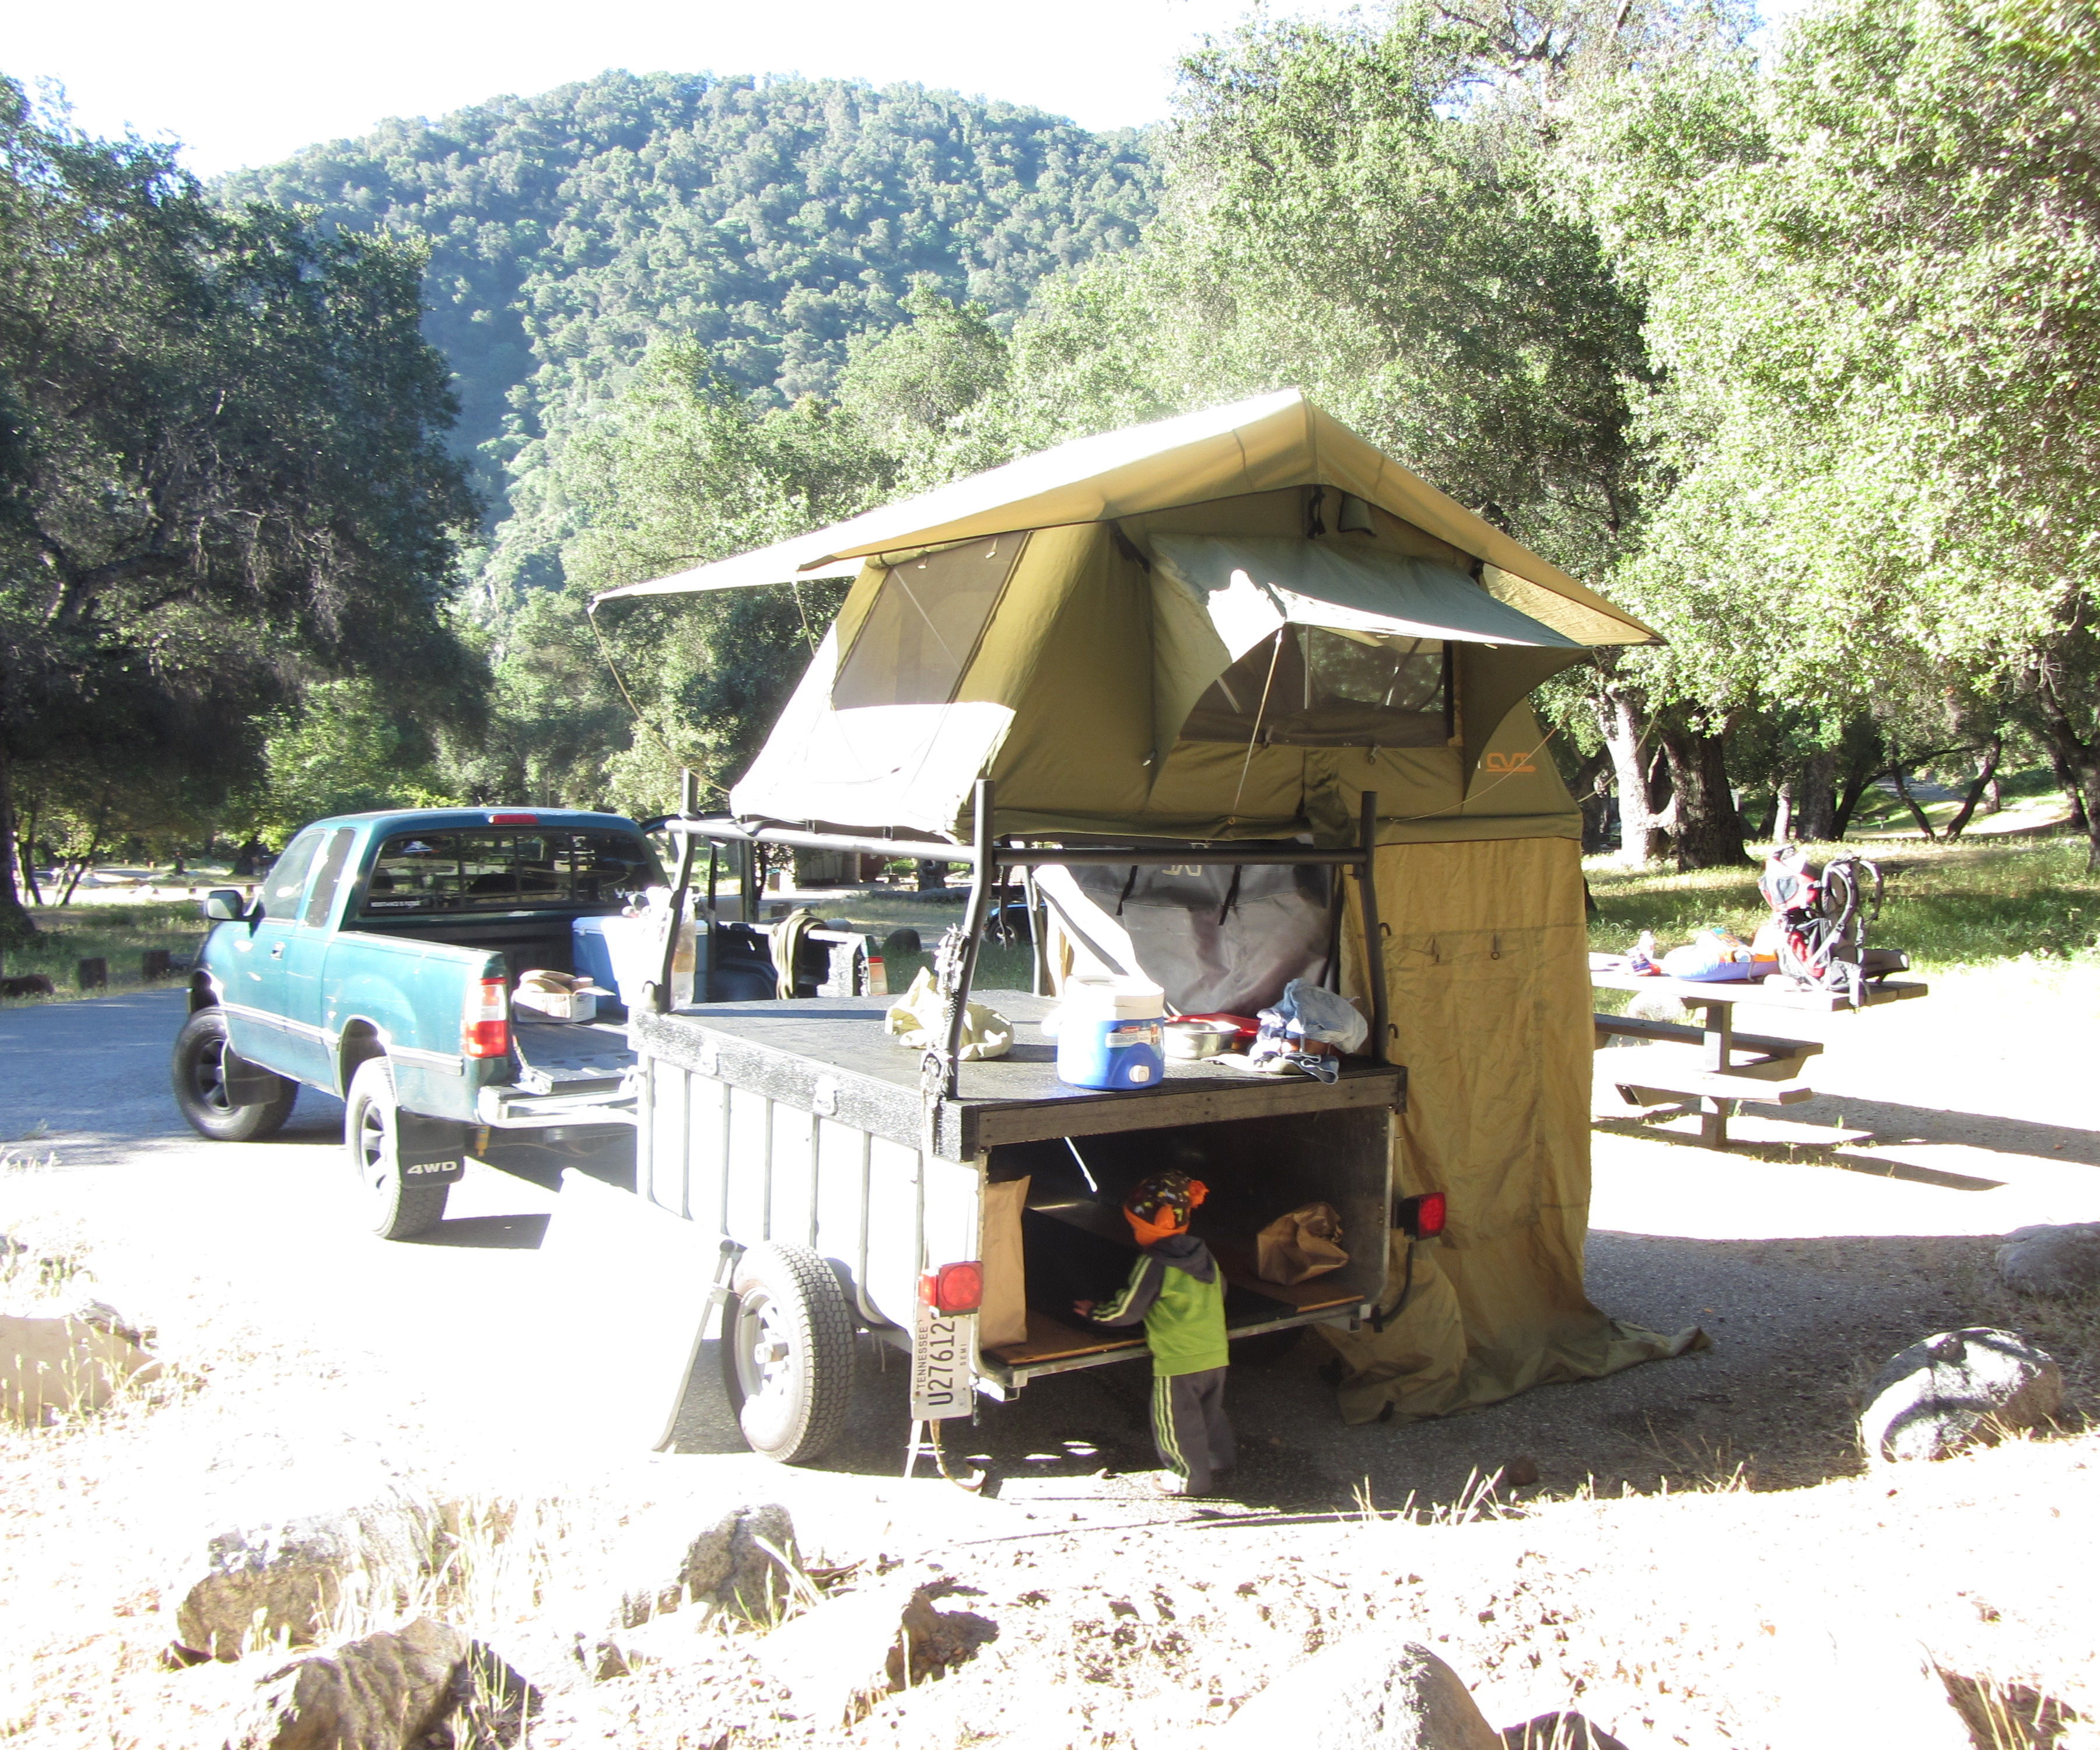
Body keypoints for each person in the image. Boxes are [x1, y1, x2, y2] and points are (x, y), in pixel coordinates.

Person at [1073, 1171, 1234, 1496]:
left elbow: (1128, 1310)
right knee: (1209, 1411)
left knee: (1175, 1420)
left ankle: (1186, 1477)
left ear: (1157, 1226)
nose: (1134, 1235)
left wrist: (1096, 1313)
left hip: (1178, 1360)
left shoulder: (1154, 1264)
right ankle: (1219, 1458)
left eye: (1136, 1228)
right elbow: (1223, 1291)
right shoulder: (1206, 1258)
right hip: (1216, 1352)